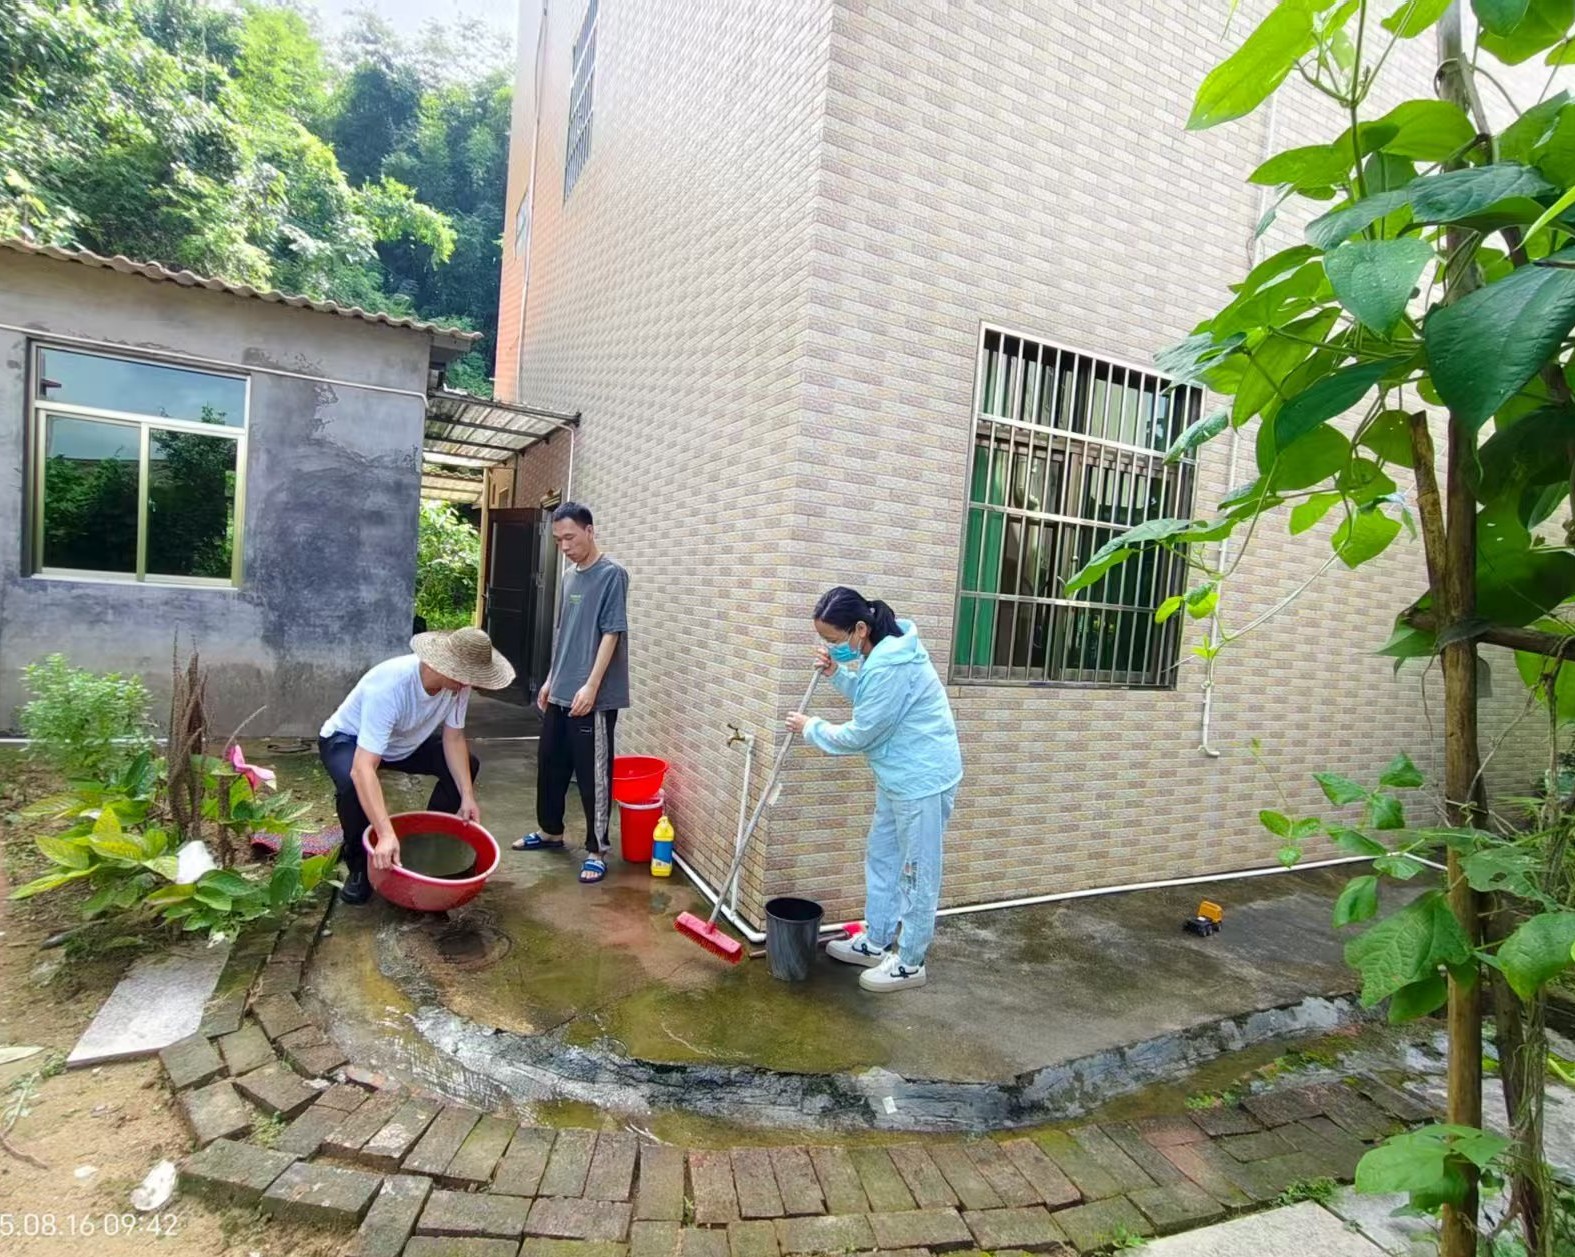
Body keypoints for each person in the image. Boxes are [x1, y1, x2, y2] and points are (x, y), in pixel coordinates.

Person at [785, 587, 963, 993]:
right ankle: (876, 940)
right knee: (882, 856)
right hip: (897, 776)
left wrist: (811, 727)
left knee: (917, 873)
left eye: (833, 639)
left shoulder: (891, 665)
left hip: (922, 780)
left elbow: (863, 732)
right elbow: (872, 700)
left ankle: (910, 962)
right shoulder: (881, 653)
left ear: (860, 629)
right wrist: (837, 673)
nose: (830, 646)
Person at [319, 626, 515, 905]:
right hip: (347, 739)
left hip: (403, 743)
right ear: (442, 665)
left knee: (466, 766)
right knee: (353, 787)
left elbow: (453, 737)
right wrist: (385, 833)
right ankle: (360, 865)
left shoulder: (458, 686)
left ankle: (427, 843)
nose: (469, 684)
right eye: (465, 676)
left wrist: (467, 796)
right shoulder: (390, 686)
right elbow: (362, 768)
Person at [512, 502, 631, 885]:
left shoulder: (612, 574)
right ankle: (550, 832)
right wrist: (551, 679)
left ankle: (597, 850)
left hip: (592, 698)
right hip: (562, 690)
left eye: (570, 537)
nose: (564, 546)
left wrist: (592, 686)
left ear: (589, 531)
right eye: (558, 540)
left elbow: (612, 633)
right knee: (550, 764)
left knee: (593, 775)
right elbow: (563, 633)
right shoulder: (568, 578)